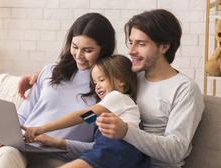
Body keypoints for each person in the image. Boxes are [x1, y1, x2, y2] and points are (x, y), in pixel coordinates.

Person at [18, 9, 205, 168]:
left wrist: (126, 132)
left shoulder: (185, 89)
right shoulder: (129, 78)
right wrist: (41, 75)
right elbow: (90, 113)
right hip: (111, 151)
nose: (131, 51)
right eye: (131, 42)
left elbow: (176, 152)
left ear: (164, 47)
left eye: (141, 44)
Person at [0, 12, 117, 168]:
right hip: (20, 150)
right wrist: (0, 136)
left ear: (104, 49)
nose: (79, 56)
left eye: (87, 50)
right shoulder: (50, 72)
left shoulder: (106, 88)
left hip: (59, 159)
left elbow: (99, 148)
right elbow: (24, 116)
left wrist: (58, 143)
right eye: (75, 47)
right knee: (5, 154)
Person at [22, 55, 150, 168]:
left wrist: (42, 128)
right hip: (105, 149)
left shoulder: (117, 97)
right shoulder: (110, 107)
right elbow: (88, 118)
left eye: (102, 80)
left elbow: (82, 117)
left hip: (118, 148)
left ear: (121, 80)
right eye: (95, 83)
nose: (97, 86)